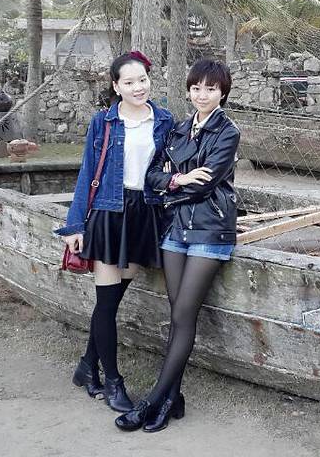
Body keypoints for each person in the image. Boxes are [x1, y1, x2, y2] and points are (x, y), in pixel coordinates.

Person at [115, 59, 240, 433]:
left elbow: (206, 186)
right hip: (175, 230)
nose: (202, 95)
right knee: (178, 315)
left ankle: (153, 400)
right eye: (196, 88)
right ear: (188, 90)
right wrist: (178, 179)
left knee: (184, 314)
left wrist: (171, 183)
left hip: (210, 230)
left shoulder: (227, 131)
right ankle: (173, 399)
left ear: (222, 93)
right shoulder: (179, 129)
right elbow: (152, 176)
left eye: (211, 89)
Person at [56, 51, 173, 413]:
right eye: (129, 82)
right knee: (106, 304)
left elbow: (169, 170)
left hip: (145, 214)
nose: (138, 87)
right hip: (109, 213)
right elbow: (87, 171)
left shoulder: (164, 120)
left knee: (112, 300)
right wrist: (75, 224)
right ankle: (112, 382)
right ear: (116, 86)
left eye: (143, 80)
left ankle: (86, 367)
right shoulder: (104, 121)